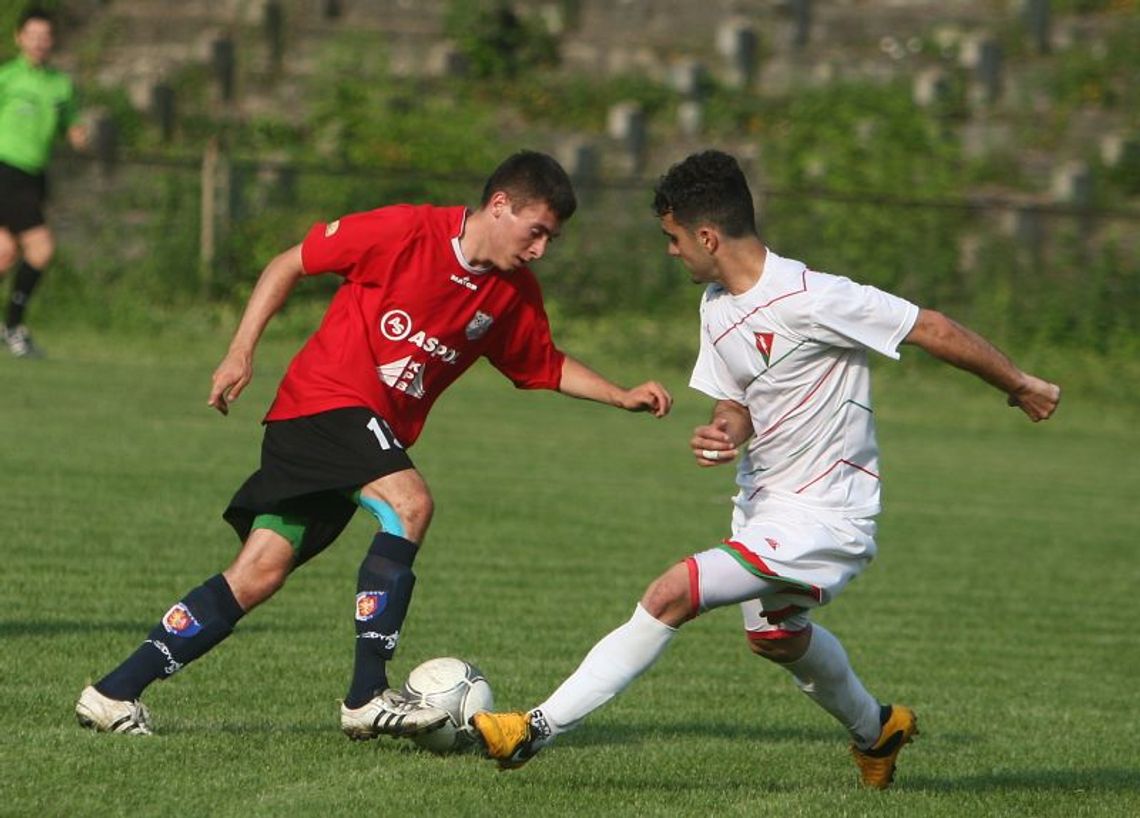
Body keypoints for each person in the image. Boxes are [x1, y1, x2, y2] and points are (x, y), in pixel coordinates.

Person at [471, 150, 1061, 789]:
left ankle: (532, 729)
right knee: (777, 637)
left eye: (673, 238)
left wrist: (1019, 383)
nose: (670, 251)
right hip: (765, 506)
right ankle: (878, 730)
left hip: (827, 514)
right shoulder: (716, 306)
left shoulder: (814, 297)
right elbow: (737, 402)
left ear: (707, 236)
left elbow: (931, 327)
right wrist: (724, 433)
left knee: (672, 593)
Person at [75, 150, 673, 737]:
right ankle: (366, 696)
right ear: (499, 205)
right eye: (536, 231)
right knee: (410, 504)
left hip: (348, 434)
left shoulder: (512, 293)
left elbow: (543, 363)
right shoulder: (405, 231)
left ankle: (113, 692)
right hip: (323, 405)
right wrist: (240, 352)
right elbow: (289, 263)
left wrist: (619, 394)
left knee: (258, 572)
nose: (540, 249)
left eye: (551, 239)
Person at [0, 7, 87, 358]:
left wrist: (77, 133)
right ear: (19, 37)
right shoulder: (7, 78)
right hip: (5, 171)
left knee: (4, 253)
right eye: (32, 36)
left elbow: (70, 122)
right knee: (41, 249)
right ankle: (13, 327)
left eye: (45, 36)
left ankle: (10, 327)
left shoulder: (60, 84)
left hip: (35, 177)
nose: (39, 42)